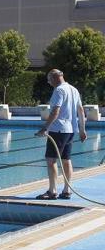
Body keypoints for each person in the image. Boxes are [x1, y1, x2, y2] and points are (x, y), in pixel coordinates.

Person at [35, 69, 87, 200]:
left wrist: (45, 128)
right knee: (66, 160)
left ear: (54, 78)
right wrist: (82, 130)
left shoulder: (59, 90)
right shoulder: (73, 89)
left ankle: (52, 191)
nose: (48, 82)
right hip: (70, 130)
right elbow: (81, 111)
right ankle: (66, 190)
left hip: (58, 129)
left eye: (48, 80)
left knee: (51, 160)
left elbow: (55, 111)